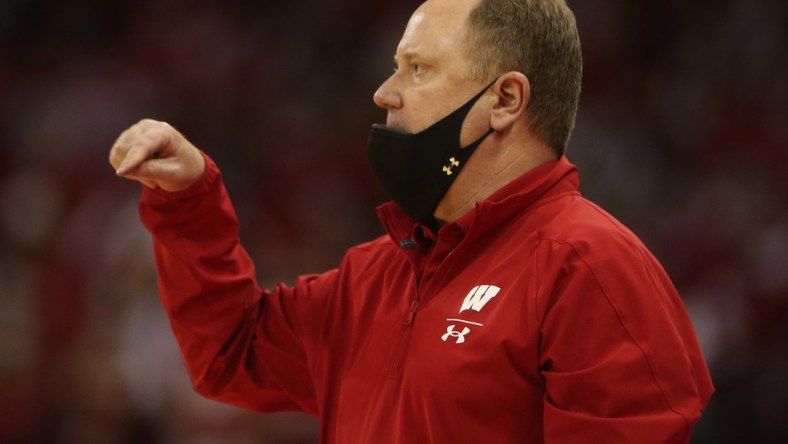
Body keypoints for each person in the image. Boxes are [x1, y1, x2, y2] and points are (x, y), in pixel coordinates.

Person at [109, 0, 713, 442]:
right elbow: (231, 356)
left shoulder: (589, 265)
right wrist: (188, 198)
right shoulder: (374, 274)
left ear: (505, 100)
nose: (385, 91)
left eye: (417, 69)